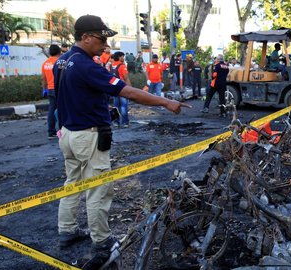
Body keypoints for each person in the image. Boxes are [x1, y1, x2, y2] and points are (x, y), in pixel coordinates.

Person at [53, 15, 190, 269]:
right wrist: (166, 102)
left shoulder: (62, 61)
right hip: (88, 136)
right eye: (101, 38)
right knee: (98, 188)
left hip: (68, 134)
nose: (105, 45)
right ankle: (102, 241)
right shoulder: (87, 66)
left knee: (72, 182)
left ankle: (67, 229)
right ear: (85, 37)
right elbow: (126, 91)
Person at [41, 44, 61, 139]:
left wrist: (44, 89)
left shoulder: (45, 63)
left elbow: (43, 78)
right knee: (62, 109)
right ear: (59, 52)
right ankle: (62, 130)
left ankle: (51, 132)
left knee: (52, 110)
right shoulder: (59, 62)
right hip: (59, 89)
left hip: (50, 89)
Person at [110, 52, 131, 127]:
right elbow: (126, 78)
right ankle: (125, 123)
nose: (123, 58)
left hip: (114, 88)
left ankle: (116, 122)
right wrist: (130, 89)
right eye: (122, 56)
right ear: (119, 57)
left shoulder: (111, 66)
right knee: (123, 106)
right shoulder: (122, 66)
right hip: (122, 88)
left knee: (116, 106)